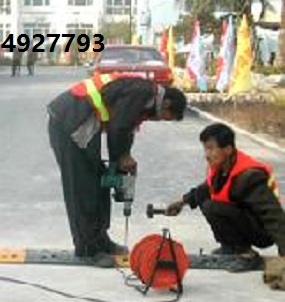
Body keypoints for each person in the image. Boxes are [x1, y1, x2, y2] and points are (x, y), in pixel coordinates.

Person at [47, 73, 187, 266]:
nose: (159, 120)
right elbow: (118, 127)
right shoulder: (144, 92)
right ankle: (87, 249)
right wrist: (121, 158)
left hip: (81, 123)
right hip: (68, 121)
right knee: (83, 187)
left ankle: (100, 239)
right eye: (165, 117)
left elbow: (126, 130)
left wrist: (120, 165)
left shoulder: (144, 100)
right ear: (166, 104)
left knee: (100, 181)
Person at [165, 123, 285, 272]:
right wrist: (181, 202)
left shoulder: (249, 176)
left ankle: (245, 254)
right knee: (206, 200)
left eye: (210, 148)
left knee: (212, 206)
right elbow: (205, 189)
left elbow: (273, 215)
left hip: (262, 232)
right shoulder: (220, 168)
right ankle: (231, 247)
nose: (206, 154)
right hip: (245, 221)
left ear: (227, 150)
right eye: (205, 149)